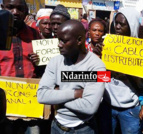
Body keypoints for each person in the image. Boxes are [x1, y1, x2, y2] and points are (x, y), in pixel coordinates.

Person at [37, 20, 106, 134]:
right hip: (56, 127)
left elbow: (90, 106)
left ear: (79, 40)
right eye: (59, 40)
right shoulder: (54, 61)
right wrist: (75, 93)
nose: (59, 45)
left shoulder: (98, 66)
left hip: (84, 129)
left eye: (64, 41)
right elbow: (41, 96)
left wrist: (56, 97)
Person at [97, 7, 143, 134]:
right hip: (107, 105)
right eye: (116, 23)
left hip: (130, 110)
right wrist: (98, 59)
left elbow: (142, 85)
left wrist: (127, 74)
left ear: (132, 26)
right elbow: (100, 78)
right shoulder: (106, 46)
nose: (117, 27)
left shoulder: (141, 51)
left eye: (122, 24)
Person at [1, 0, 42, 133]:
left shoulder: (35, 35)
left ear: (26, 12)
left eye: (20, 9)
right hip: (4, 108)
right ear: (2, 8)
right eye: (10, 7)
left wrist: (39, 61)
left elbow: (44, 68)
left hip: (30, 106)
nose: (15, 12)